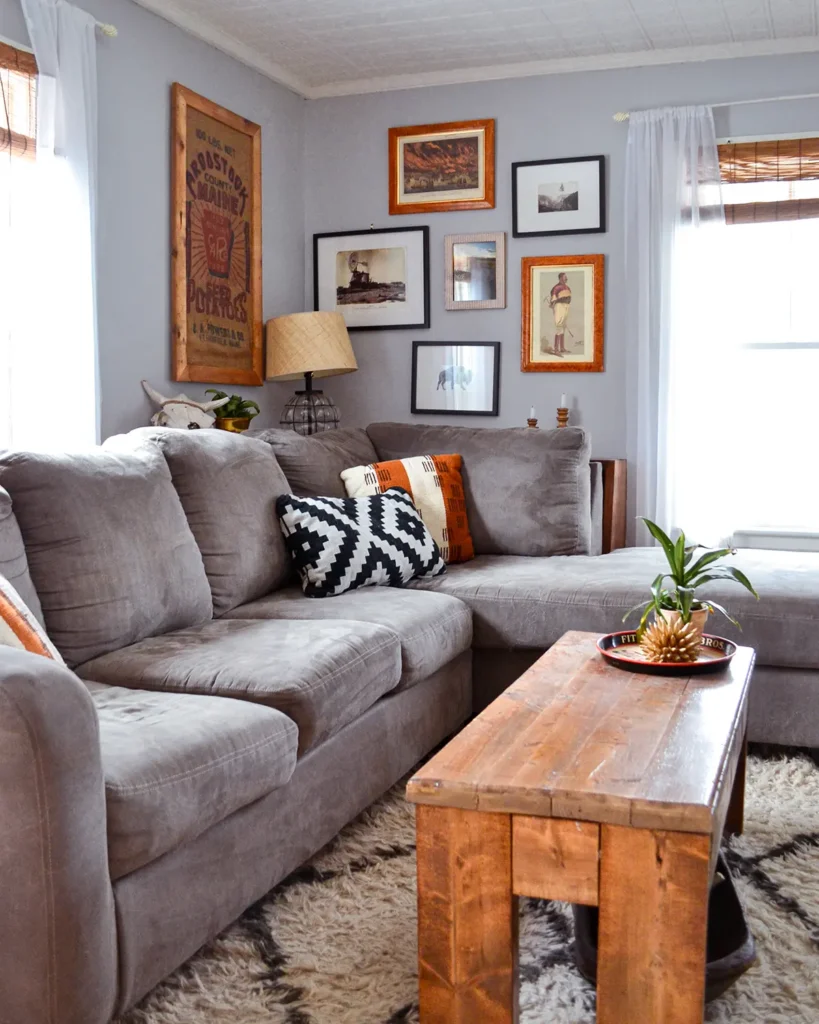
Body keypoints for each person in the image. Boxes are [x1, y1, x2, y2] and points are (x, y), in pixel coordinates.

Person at [544, 272, 571, 356]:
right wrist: (552, 304)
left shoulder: (567, 287)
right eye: (564, 277)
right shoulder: (556, 288)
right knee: (559, 326)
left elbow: (569, 297)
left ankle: (562, 348)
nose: (566, 278)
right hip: (559, 306)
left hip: (566, 306)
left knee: (563, 327)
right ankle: (556, 349)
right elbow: (553, 298)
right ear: (560, 278)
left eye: (566, 277)